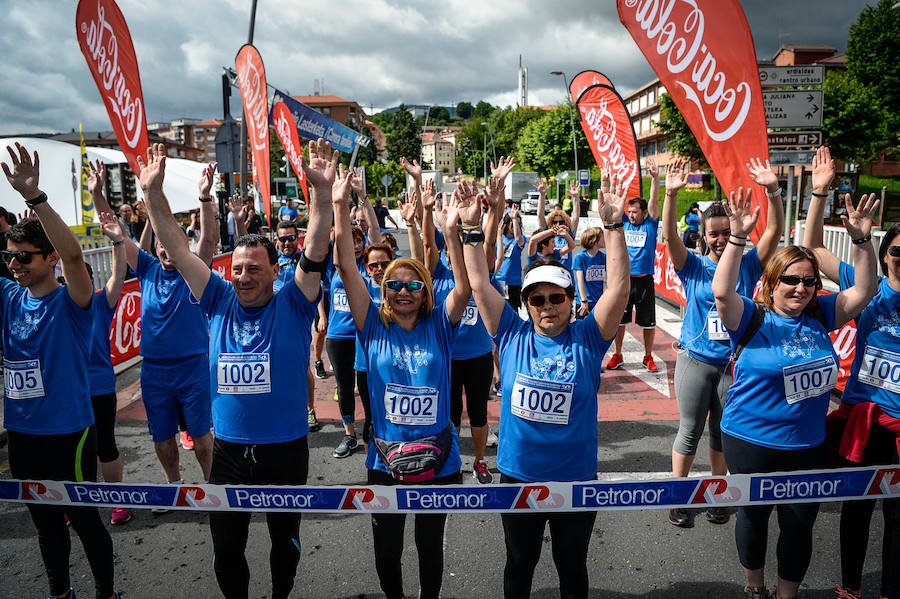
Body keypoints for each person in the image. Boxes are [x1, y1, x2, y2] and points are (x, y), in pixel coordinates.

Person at [139, 139, 332, 599]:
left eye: (254, 269)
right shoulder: (218, 298)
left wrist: (323, 194)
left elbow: (315, 250)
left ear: (275, 272)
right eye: (238, 269)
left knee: (283, 543)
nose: (243, 277)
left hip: (285, 450)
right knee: (226, 549)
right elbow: (179, 250)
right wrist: (152, 194)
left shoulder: (294, 302)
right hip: (228, 452)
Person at [462, 168, 631, 599]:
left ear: (571, 300)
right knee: (519, 564)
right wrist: (470, 230)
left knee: (571, 566)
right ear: (526, 304)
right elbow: (479, 283)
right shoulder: (511, 333)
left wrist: (613, 227)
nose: (547, 306)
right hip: (518, 476)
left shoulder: (588, 337)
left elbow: (618, 289)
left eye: (557, 297)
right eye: (537, 299)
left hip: (576, 478)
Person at [712, 186, 878, 599]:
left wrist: (862, 241)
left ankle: (787, 595)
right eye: (790, 280)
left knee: (800, 524)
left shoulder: (821, 314)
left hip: (807, 445)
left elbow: (864, 291)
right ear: (772, 283)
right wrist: (737, 237)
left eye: (808, 281)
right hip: (749, 440)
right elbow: (721, 292)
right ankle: (755, 587)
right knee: (753, 518)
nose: (801, 288)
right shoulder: (751, 317)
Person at [333, 165, 470, 599]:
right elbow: (346, 267)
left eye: (413, 285)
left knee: (430, 547)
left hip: (440, 460)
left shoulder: (440, 324)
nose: (403, 291)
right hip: (385, 460)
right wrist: (338, 204)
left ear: (425, 291)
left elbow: (464, 288)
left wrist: (451, 232)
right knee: (387, 551)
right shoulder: (371, 323)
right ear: (384, 290)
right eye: (394, 284)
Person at [1, 142, 122, 599]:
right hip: (22, 433)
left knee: (84, 519)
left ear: (49, 259)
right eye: (9, 256)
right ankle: (59, 593)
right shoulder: (9, 296)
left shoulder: (72, 301)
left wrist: (35, 198)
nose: (14, 264)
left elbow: (74, 256)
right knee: (45, 524)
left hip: (69, 433)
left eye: (24, 256)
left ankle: (105, 592)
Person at [662, 157, 784, 528]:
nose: (718, 239)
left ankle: (718, 493)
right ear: (703, 235)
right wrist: (670, 195)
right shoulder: (693, 266)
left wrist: (773, 191)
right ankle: (679, 496)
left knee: (721, 432)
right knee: (690, 430)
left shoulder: (748, 264)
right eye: (712, 233)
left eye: (724, 232)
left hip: (734, 365)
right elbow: (670, 238)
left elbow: (774, 232)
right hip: (696, 362)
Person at [801, 146, 900, 599]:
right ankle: (850, 587)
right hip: (866, 418)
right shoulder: (869, 290)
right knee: (857, 509)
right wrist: (819, 193)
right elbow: (813, 248)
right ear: (885, 254)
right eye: (896, 250)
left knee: (897, 517)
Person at [107, 163, 219, 489]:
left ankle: (214, 488)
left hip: (193, 367)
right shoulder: (147, 268)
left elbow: (209, 239)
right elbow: (117, 232)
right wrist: (99, 195)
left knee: (202, 438)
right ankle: (174, 486)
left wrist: (204, 197)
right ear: (156, 249)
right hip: (155, 370)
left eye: (174, 244)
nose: (167, 249)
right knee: (162, 437)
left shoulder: (194, 268)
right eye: (161, 245)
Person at [85, 160, 133, 526]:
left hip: (100, 387)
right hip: (67, 390)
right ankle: (77, 502)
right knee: (75, 449)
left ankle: (117, 500)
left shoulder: (102, 301)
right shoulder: (57, 305)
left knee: (105, 445)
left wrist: (117, 239)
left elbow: (119, 271)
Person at [607, 157, 661, 372]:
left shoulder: (650, 224)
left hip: (645, 281)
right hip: (625, 281)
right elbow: (615, 205)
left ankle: (648, 356)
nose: (630, 214)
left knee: (648, 322)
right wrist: (612, 185)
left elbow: (654, 202)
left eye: (635, 211)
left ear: (643, 213)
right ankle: (617, 354)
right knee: (619, 321)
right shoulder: (624, 224)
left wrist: (655, 179)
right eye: (629, 211)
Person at [273, 220, 320, 432]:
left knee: (303, 367)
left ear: (297, 238)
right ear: (276, 240)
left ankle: (309, 409)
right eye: (282, 239)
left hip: (298, 323)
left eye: (291, 238)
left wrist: (321, 315)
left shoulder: (303, 261)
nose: (287, 243)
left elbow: (316, 288)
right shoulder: (272, 259)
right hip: (273, 322)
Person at [538, 178, 582, 272]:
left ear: (565, 223)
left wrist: (575, 196)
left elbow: (576, 217)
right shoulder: (547, 233)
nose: (558, 225)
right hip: (550, 274)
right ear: (551, 223)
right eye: (555, 222)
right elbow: (540, 215)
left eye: (561, 222)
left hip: (566, 274)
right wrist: (542, 195)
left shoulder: (569, 233)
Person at [495, 203, 526, 312]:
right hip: (498, 279)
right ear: (506, 224)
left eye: (518, 223)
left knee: (513, 310)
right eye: (512, 224)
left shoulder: (521, 238)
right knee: (497, 310)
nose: (515, 226)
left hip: (513, 282)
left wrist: (514, 219)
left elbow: (518, 239)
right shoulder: (499, 237)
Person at [572, 227, 606, 319]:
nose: (605, 239)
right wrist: (584, 301)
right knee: (582, 326)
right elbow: (580, 280)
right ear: (594, 240)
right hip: (584, 302)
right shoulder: (580, 257)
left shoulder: (603, 257)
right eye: (602, 237)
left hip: (599, 301)